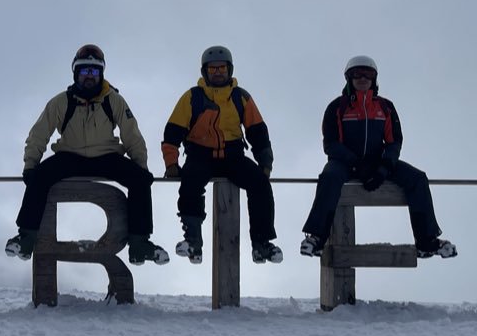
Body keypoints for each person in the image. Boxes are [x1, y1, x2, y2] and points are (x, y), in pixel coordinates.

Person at [6, 44, 168, 265]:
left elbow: (132, 135)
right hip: (70, 156)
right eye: (84, 71)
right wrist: (30, 166)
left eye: (94, 71)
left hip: (106, 156)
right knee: (39, 177)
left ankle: (139, 244)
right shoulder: (61, 102)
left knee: (140, 181)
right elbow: (39, 134)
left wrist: (141, 167)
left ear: (101, 74)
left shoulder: (113, 100)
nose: (89, 77)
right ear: (76, 73)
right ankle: (26, 238)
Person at [298, 55, 456, 259]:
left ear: (374, 78)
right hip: (344, 163)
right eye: (357, 74)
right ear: (349, 78)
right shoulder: (337, 107)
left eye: (368, 74)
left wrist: (383, 168)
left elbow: (394, 142)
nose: (362, 78)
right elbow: (331, 144)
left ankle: (427, 241)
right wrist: (356, 165)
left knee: (417, 178)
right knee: (329, 177)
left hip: (377, 161)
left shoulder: (385, 107)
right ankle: (317, 237)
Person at [161, 46, 282, 264]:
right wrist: (171, 163)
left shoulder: (240, 97)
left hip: (232, 156)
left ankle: (262, 244)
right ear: (204, 72)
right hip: (200, 154)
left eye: (222, 68)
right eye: (213, 69)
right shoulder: (192, 97)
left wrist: (265, 163)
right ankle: (193, 241)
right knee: (190, 182)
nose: (218, 72)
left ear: (230, 70)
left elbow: (258, 131)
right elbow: (173, 132)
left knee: (260, 184)